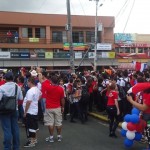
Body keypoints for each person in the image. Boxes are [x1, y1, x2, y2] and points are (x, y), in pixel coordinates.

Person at [0, 71, 23, 150]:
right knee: (15, 128)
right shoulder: (17, 87)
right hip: (14, 109)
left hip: (4, 111)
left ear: (5, 78)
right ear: (13, 78)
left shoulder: (2, 87)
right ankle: (16, 147)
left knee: (7, 129)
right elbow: (21, 98)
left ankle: (7, 147)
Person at [44, 75, 65, 143]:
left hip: (49, 107)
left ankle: (51, 137)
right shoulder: (61, 89)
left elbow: (42, 82)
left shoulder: (48, 87)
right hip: (57, 107)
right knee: (58, 123)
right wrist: (63, 107)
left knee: (50, 123)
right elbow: (62, 99)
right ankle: (59, 136)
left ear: (51, 81)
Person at [23, 77, 42, 148]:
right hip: (34, 110)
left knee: (31, 127)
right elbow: (41, 94)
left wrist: (25, 112)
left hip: (30, 111)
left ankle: (32, 142)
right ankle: (34, 139)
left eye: (28, 82)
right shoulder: (37, 89)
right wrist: (36, 101)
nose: (27, 83)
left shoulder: (30, 91)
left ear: (30, 82)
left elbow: (28, 102)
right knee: (34, 126)